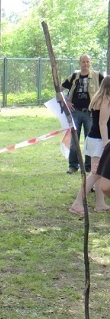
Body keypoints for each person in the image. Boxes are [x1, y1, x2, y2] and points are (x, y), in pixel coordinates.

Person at [69, 75, 110, 215]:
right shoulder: (106, 100)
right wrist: (106, 143)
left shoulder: (98, 97)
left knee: (98, 174)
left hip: (95, 140)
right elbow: (102, 123)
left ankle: (100, 204)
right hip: (99, 142)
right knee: (95, 175)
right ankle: (77, 203)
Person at [62, 54, 104, 174]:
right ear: (79, 63)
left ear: (90, 62)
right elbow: (60, 89)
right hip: (75, 113)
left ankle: (89, 166)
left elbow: (106, 89)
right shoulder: (74, 76)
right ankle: (73, 165)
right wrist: (67, 102)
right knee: (74, 140)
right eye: (83, 62)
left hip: (90, 114)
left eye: (87, 61)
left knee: (90, 140)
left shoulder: (97, 76)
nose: (85, 64)